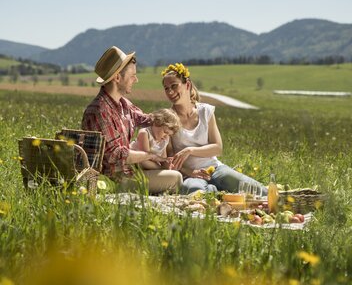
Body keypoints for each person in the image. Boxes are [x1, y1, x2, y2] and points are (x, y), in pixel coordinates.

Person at [82, 46, 183, 194]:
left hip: (129, 171)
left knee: (173, 175)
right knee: (176, 179)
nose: (136, 79)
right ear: (117, 77)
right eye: (132, 75)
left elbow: (151, 119)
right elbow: (116, 155)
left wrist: (180, 113)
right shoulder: (100, 111)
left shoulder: (123, 104)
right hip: (114, 180)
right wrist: (152, 156)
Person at [161, 62, 268, 195]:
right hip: (191, 175)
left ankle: (217, 189)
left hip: (216, 169)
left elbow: (217, 147)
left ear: (187, 85)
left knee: (258, 190)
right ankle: (214, 190)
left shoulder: (206, 111)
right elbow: (170, 159)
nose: (170, 91)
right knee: (193, 191)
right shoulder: (167, 119)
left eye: (174, 86)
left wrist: (189, 150)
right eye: (166, 88)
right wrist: (191, 172)